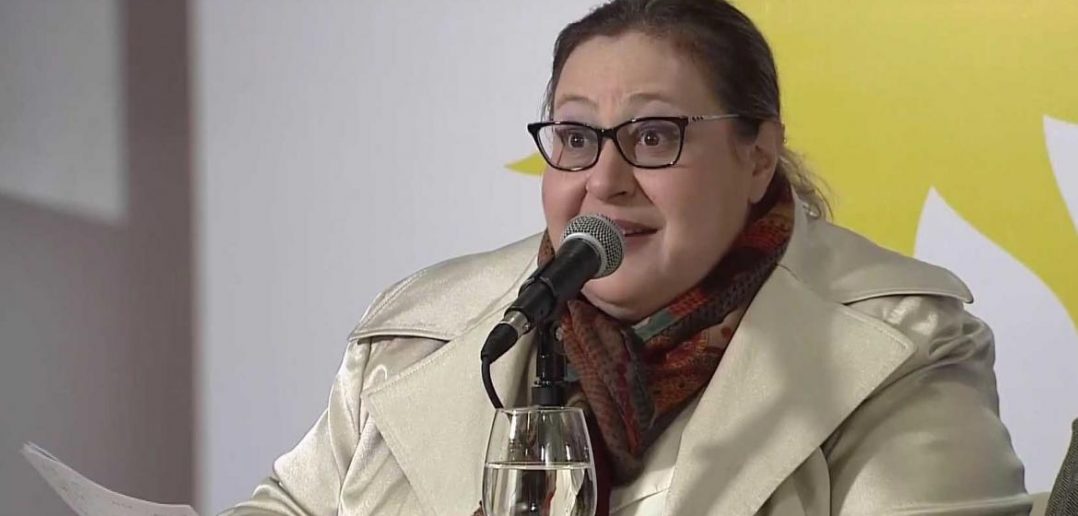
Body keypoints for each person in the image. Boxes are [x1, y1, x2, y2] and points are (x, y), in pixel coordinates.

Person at [223, 0, 1031, 514]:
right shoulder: (417, 333)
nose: (605, 181)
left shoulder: (902, 346)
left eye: (652, 137)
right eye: (576, 138)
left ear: (757, 157)